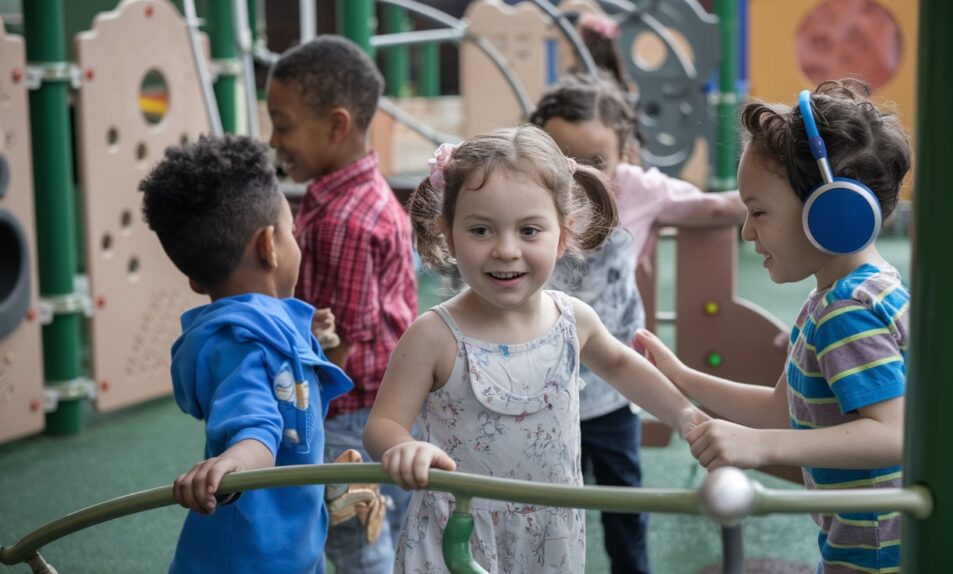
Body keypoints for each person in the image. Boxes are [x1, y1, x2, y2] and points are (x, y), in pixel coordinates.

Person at [362, 125, 702, 573]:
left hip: (550, 531)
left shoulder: (571, 320)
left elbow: (622, 366)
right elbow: (383, 423)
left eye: (528, 230)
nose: (506, 250)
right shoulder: (434, 336)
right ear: (447, 232)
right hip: (457, 534)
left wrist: (687, 417)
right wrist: (404, 448)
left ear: (562, 235)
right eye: (481, 230)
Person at [637, 79, 912, 573]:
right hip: (863, 542)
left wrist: (760, 448)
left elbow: (894, 433)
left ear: (830, 212)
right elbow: (780, 409)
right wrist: (681, 376)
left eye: (758, 211)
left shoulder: (847, 310)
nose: (747, 231)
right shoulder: (841, 295)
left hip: (879, 551)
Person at [530, 73, 745, 574]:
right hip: (538, 387)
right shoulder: (528, 190)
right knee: (546, 503)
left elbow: (711, 205)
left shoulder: (638, 189)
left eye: (596, 160)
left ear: (624, 153)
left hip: (611, 383)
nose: (578, 172)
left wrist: (770, 200)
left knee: (623, 499)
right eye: (563, 155)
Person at [141, 135, 353, 573]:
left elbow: (273, 365)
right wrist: (235, 463)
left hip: (289, 535)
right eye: (291, 233)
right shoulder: (242, 346)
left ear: (197, 283)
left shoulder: (259, 328)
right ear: (269, 246)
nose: (297, 242)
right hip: (252, 555)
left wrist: (304, 335)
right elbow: (255, 423)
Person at [266, 36, 419, 572]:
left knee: (354, 540)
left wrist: (302, 417)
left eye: (283, 125)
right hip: (389, 404)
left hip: (347, 413)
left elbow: (341, 344)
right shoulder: (366, 193)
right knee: (391, 527)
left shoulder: (339, 222)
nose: (273, 138)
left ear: (335, 125)